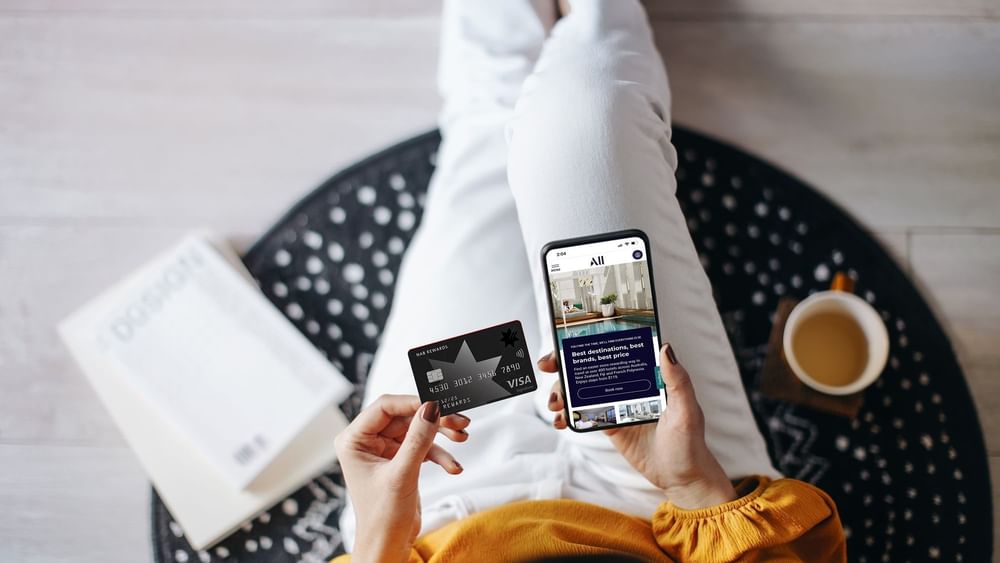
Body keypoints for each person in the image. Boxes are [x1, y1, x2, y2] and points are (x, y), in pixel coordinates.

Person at [332, 0, 846, 561]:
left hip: (440, 494)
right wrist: (694, 484)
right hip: (660, 501)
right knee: (588, 120)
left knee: (487, 132)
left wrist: (376, 542)